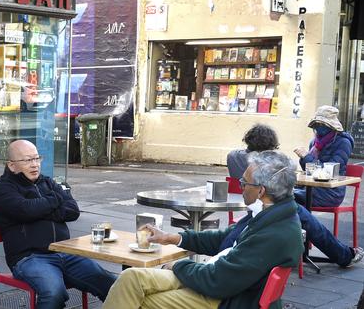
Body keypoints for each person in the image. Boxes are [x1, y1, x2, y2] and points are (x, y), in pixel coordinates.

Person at [103, 151, 304, 309]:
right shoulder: (270, 213)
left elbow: (217, 281)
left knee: (143, 301)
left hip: (224, 298)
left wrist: (177, 266)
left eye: (244, 183)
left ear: (261, 191)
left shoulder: (275, 233)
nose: (240, 186)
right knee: (131, 279)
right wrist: (171, 237)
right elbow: (223, 239)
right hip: (215, 280)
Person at [0, 140, 116, 309]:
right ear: (12, 166)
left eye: (37, 159)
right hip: (30, 258)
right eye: (28, 160)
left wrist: (40, 209)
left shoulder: (47, 182)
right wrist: (56, 199)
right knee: (54, 293)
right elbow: (27, 210)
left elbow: (73, 211)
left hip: (64, 252)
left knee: (113, 284)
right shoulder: (4, 189)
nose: (35, 165)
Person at [228, 124, 363, 268]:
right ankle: (344, 256)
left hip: (251, 208)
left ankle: (340, 254)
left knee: (302, 213)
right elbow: (286, 183)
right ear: (270, 145)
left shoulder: (233, 156)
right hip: (273, 209)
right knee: (313, 225)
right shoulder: (268, 163)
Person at [293, 105, 354, 207]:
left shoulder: (343, 142)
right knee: (282, 194)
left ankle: (305, 223)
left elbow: (328, 172)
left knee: (290, 198)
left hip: (331, 192)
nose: (317, 127)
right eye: (316, 124)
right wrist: (303, 158)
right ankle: (301, 223)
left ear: (330, 126)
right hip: (311, 187)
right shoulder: (314, 143)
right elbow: (309, 171)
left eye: (321, 124)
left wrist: (307, 157)